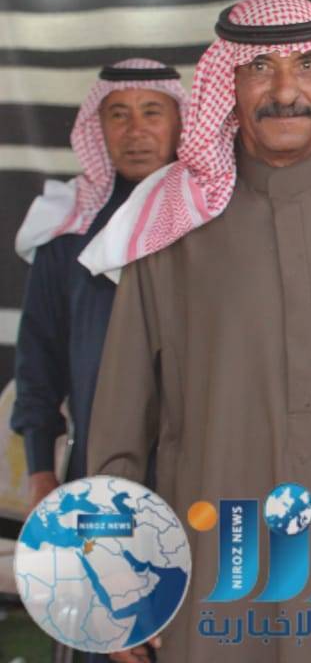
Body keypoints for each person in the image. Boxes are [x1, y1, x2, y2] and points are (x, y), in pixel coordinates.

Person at [79, 0, 311, 663]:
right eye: (260, 69)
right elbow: (120, 423)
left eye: (308, 66)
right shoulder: (170, 225)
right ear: (227, 85)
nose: (286, 91)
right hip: (218, 572)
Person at [11, 59, 184, 509]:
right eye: (118, 115)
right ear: (98, 127)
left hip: (204, 465)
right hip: (99, 470)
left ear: (181, 121)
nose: (135, 130)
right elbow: (39, 354)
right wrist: (40, 470)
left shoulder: (212, 217)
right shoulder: (68, 226)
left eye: (152, 112)